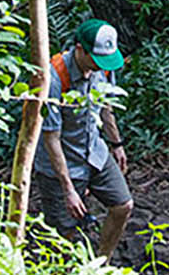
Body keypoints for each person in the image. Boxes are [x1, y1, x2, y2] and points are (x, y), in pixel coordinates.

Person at [30, 18, 133, 259]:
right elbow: (51, 139)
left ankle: (100, 265)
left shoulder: (104, 68)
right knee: (62, 232)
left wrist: (116, 144)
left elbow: (106, 106)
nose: (100, 67)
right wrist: (69, 190)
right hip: (60, 163)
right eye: (96, 60)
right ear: (79, 49)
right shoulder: (54, 78)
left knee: (123, 205)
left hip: (94, 152)